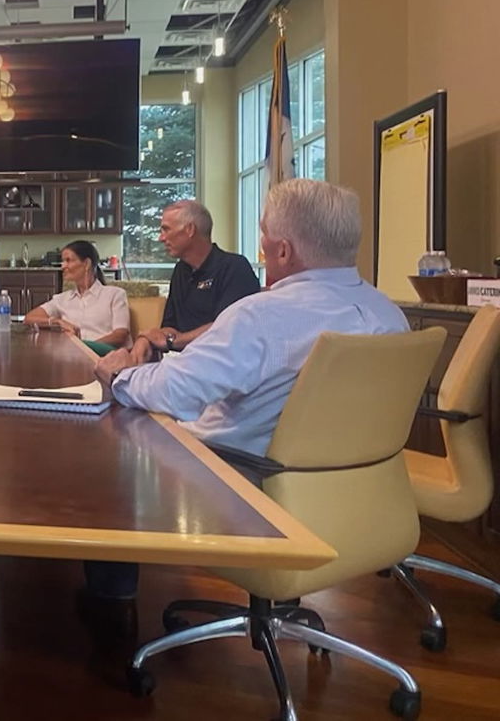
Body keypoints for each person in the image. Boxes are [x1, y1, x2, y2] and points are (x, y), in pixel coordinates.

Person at [82, 179, 409, 613]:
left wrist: (120, 375)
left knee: (111, 446)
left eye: (264, 239)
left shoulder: (262, 316)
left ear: (284, 251)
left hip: (247, 488)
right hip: (360, 500)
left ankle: (109, 606)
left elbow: (176, 392)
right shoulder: (391, 315)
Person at [131, 199, 260, 363]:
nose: (161, 238)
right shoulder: (181, 270)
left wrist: (175, 341)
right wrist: (146, 339)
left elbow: (227, 329)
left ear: (190, 230)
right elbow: (170, 326)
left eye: (166, 230)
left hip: (223, 366)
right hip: (183, 364)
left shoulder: (234, 267)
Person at [23, 240, 130, 348]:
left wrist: (86, 348)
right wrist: (56, 322)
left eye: (68, 260)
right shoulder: (62, 299)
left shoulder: (115, 295)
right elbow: (29, 319)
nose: (63, 266)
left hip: (105, 355)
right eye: (63, 261)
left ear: (87, 264)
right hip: (71, 355)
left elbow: (120, 335)